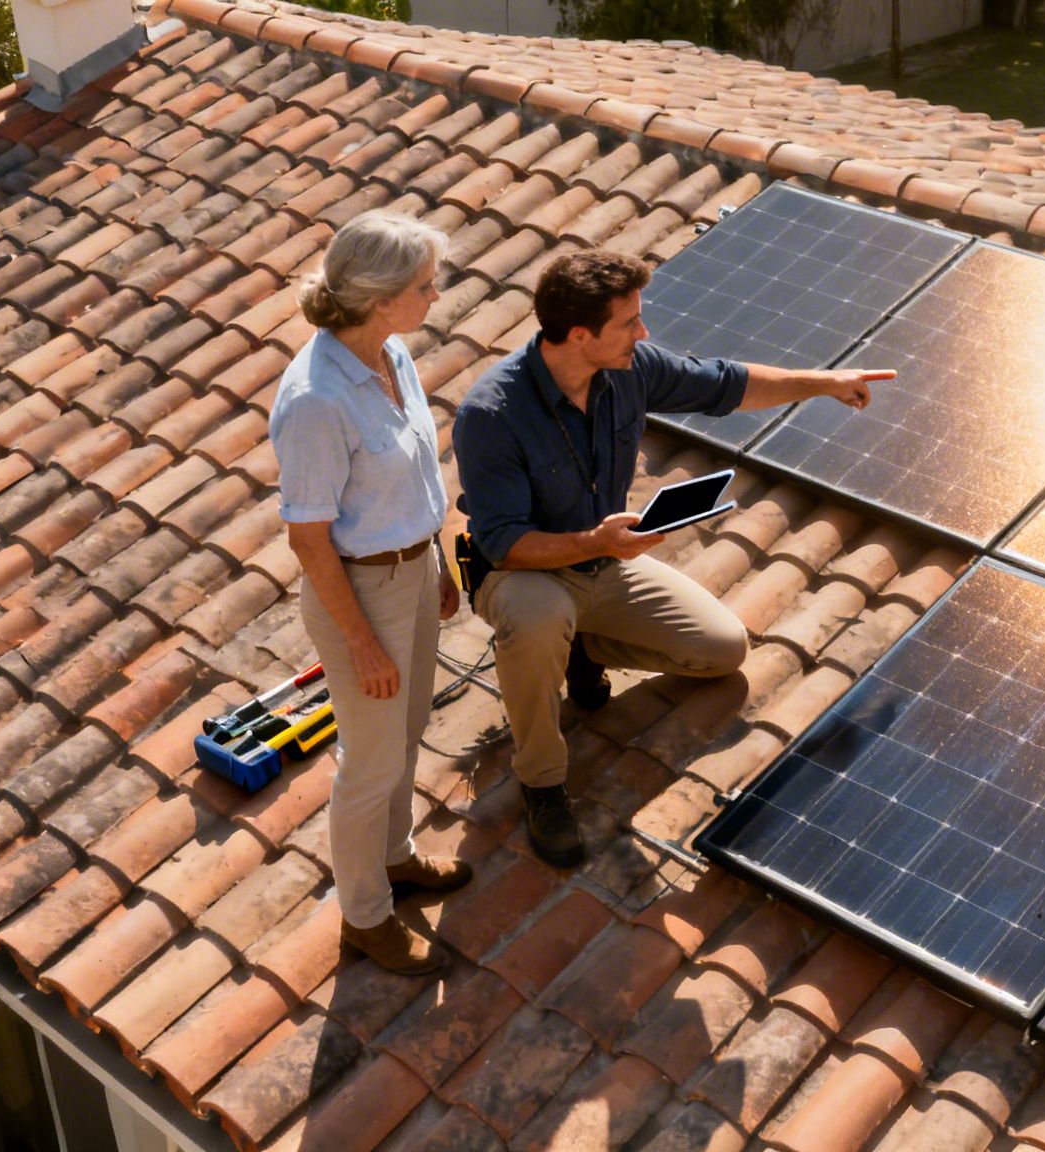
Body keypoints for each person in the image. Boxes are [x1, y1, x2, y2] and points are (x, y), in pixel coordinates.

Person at [455, 249, 891, 867]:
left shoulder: (629, 369)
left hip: (602, 562)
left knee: (721, 651)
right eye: (629, 321)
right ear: (580, 335)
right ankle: (543, 782)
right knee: (535, 622)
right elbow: (503, 542)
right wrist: (595, 544)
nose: (644, 332)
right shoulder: (492, 414)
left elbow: (728, 384)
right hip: (524, 571)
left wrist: (823, 383)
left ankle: (580, 645)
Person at [270, 212, 470, 976]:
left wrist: (440, 562)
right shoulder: (316, 401)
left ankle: (394, 857)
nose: (436, 295)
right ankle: (365, 916)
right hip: (362, 594)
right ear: (382, 297)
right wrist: (360, 640)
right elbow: (308, 539)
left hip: (412, 570)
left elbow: (418, 475)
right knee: (370, 761)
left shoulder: (391, 354)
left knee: (408, 729)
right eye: (425, 285)